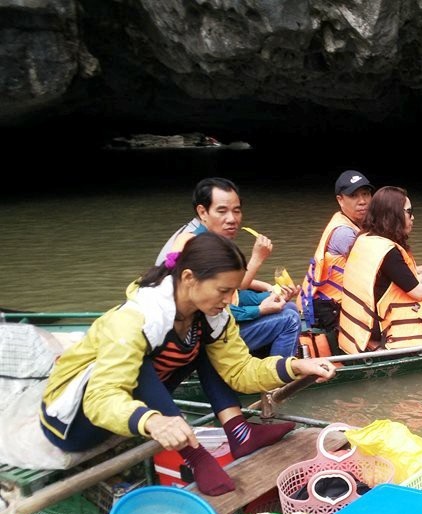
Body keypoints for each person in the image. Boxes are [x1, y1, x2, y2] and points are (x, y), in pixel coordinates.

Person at [40, 233, 336, 496]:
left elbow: (239, 371)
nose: (228, 300)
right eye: (222, 291)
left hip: (131, 412)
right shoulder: (136, 320)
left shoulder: (209, 316)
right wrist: (153, 421)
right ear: (189, 277)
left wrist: (296, 367)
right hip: (73, 421)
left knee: (203, 342)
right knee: (142, 362)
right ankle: (195, 455)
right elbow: (100, 398)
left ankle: (239, 432)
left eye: (232, 291)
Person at [158, 177, 302, 357]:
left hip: (215, 318)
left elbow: (228, 284)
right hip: (200, 335)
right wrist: (259, 309)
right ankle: (280, 371)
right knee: (290, 319)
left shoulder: (206, 236)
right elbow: (212, 307)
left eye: (236, 211)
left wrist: (268, 288)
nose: (232, 219)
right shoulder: (194, 245)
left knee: (287, 305)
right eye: (222, 211)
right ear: (203, 212)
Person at [338, 186, 422, 355]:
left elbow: (410, 282)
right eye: (409, 212)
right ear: (393, 215)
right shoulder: (388, 252)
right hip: (384, 325)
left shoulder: (366, 239)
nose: (413, 217)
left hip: (364, 323)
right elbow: (418, 292)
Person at [298, 170, 374, 339]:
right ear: (340, 200)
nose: (362, 201)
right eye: (354, 196)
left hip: (327, 304)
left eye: (366, 194)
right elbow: (378, 271)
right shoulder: (344, 233)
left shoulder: (353, 224)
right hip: (330, 310)